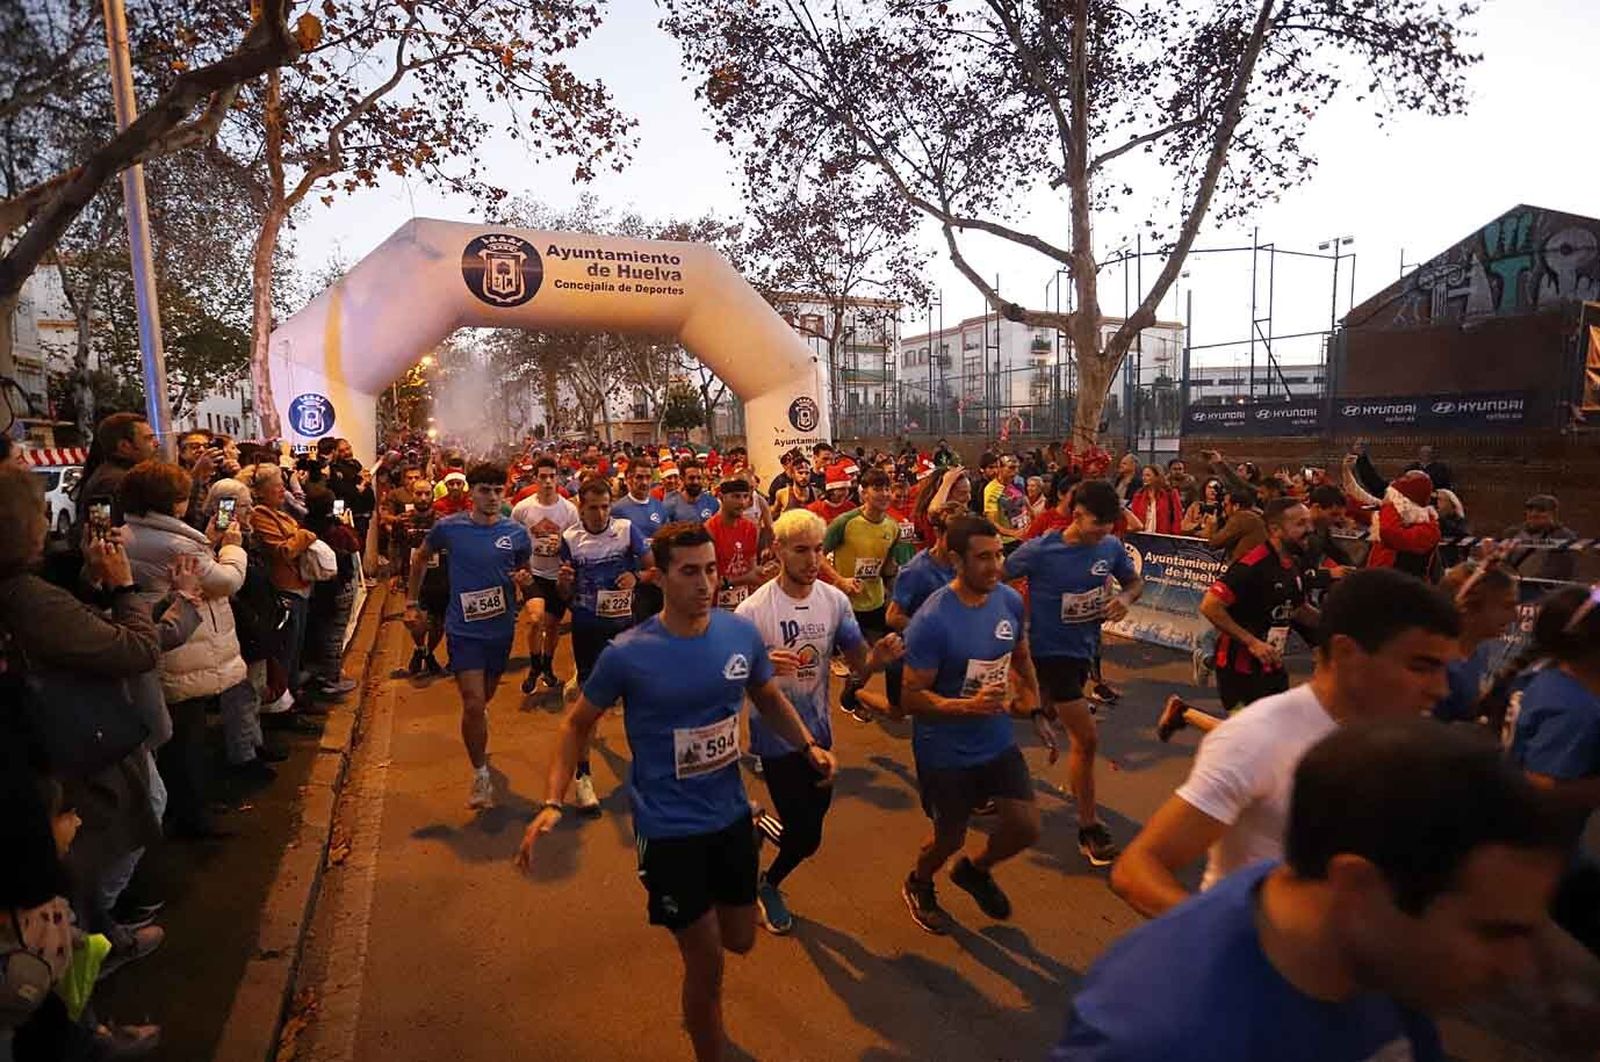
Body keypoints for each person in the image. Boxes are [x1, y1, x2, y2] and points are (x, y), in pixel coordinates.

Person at [1055, 719, 1573, 1061]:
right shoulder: (1158, 1036)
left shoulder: (1380, 951)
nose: (1518, 966)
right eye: (1491, 932)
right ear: (1357, 886)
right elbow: (1137, 866)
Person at [515, 522, 838, 1062]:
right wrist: (553, 800)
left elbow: (765, 694)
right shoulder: (628, 653)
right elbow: (576, 725)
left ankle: (726, 879)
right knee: (707, 963)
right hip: (667, 829)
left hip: (730, 816)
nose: (705, 582)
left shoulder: (738, 635)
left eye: (710, 570)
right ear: (660, 577)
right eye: (690, 572)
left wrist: (807, 747)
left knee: (741, 939)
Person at [1116, 568, 1459, 917]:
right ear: (1347, 654)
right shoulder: (1260, 736)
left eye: (1444, 668)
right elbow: (1139, 868)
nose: (1440, 688)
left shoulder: (1414, 742)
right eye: (1420, 666)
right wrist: (1237, 942)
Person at [0, 465, 167, 986]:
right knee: (100, 841)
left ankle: (100, 934)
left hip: (54, 737)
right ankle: (87, 951)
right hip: (74, 738)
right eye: (39, 510)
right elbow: (137, 649)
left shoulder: (31, 591)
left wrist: (88, 585)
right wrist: (123, 588)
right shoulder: (26, 596)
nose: (49, 516)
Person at [735, 509, 903, 933]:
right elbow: (728, 683)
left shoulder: (835, 602)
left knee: (810, 819)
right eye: (801, 550)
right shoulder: (752, 612)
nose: (813, 560)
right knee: (807, 837)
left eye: (818, 550)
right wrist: (758, 665)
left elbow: (858, 667)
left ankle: (756, 823)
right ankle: (766, 884)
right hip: (774, 740)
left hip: (820, 732)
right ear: (777, 551)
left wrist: (876, 661)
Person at [898, 515, 1043, 934]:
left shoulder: (1010, 601)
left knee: (1025, 826)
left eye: (998, 555)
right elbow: (910, 698)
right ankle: (919, 881)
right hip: (944, 750)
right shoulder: (932, 620)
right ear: (957, 560)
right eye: (983, 558)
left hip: (995, 738)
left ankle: (975, 872)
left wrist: (1033, 705)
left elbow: (1019, 655)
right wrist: (966, 707)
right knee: (949, 839)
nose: (995, 565)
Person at [1003, 481, 1142, 866]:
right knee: (1086, 738)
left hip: (1081, 651)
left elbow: (1134, 582)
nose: (1104, 533)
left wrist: (1125, 599)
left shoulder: (1111, 547)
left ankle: (982, 742)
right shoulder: (1042, 549)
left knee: (1034, 713)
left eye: (1109, 526)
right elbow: (991, 577)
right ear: (1077, 515)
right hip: (1044, 655)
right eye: (1098, 525)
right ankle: (1089, 827)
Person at [407, 463, 533, 810]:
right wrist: (411, 603)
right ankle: (480, 775)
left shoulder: (517, 533)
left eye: (497, 491)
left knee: (484, 700)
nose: (492, 497)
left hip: (501, 629)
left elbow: (524, 569)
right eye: (484, 490)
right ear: (471, 493)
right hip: (462, 628)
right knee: (473, 703)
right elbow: (419, 559)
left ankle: (478, 723)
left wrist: (524, 582)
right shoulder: (449, 528)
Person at [556, 476, 652, 812]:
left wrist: (637, 577)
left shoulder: (626, 531)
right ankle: (583, 780)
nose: (599, 514)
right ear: (580, 507)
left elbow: (654, 568)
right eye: (592, 508)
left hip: (626, 630)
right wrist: (564, 584)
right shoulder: (569, 538)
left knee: (638, 703)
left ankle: (647, 772)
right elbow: (564, 593)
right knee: (588, 710)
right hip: (587, 629)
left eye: (604, 506)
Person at [247, 464, 321, 715]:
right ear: (260, 491)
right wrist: (305, 536)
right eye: (276, 486)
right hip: (284, 589)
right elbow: (283, 551)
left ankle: (293, 700)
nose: (282, 490)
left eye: (282, 484)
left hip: (299, 585)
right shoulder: (260, 516)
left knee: (296, 649)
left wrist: (299, 536)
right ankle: (283, 709)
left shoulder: (280, 513)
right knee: (285, 654)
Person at [511, 455, 579, 694]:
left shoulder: (569, 510)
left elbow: (575, 542)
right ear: (535, 478)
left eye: (552, 476)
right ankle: (534, 665)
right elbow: (514, 539)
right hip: (534, 573)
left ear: (558, 478)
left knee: (552, 626)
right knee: (535, 619)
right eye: (543, 477)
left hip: (558, 576)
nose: (548, 481)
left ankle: (547, 667)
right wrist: (520, 567)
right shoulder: (522, 509)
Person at [1431, 558, 1519, 725]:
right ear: (1468, 607)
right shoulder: (1436, 666)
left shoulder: (1478, 651)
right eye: (1506, 606)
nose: (1515, 616)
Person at [76, 413, 159, 534]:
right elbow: (102, 534)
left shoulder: (115, 475)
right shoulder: (115, 481)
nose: (156, 443)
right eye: (148, 438)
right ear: (124, 446)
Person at [705, 477, 771, 610]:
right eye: (736, 496)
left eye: (745, 496)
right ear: (721, 497)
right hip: (715, 606)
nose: (742, 502)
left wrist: (763, 572)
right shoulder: (709, 529)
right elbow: (706, 582)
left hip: (744, 604)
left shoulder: (751, 528)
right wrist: (743, 579)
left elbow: (751, 568)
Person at [1364, 469, 1439, 579]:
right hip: (1377, 581)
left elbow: (1389, 533)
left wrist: (1392, 504)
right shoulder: (1396, 518)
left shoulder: (1429, 527)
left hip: (1404, 588)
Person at [1502, 494, 1579, 583]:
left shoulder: (1564, 536)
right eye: (1530, 509)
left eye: (1541, 510)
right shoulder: (1513, 533)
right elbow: (1503, 561)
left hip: (1547, 589)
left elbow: (1563, 569)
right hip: (1514, 586)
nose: (1534, 514)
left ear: (1553, 513)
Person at [1205, 487, 1266, 562]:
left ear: (1236, 506)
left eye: (1226, 505)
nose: (1224, 508)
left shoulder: (1242, 516)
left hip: (1245, 566)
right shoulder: (1255, 516)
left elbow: (1215, 542)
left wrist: (1212, 525)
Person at [1128, 465, 1183, 535]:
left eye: (1148, 475)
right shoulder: (1138, 495)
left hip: (1163, 537)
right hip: (1142, 536)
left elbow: (1178, 517)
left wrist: (1174, 535)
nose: (1144, 478)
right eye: (1143, 475)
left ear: (1157, 477)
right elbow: (1134, 517)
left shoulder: (1171, 494)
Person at [665, 458, 720, 524]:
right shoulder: (670, 504)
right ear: (682, 479)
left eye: (699, 478)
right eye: (691, 478)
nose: (696, 482)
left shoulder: (712, 503)